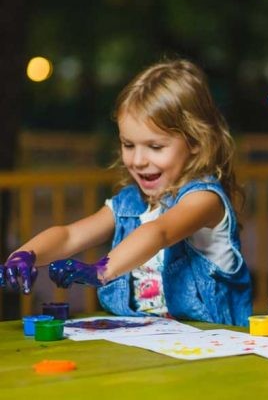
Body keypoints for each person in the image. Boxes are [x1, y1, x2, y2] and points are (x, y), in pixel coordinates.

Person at [0, 60, 252, 326]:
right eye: (128, 144)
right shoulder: (128, 204)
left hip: (215, 349)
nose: (139, 160)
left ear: (196, 142)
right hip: (150, 345)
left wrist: (100, 271)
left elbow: (159, 232)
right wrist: (25, 255)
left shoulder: (204, 200)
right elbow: (69, 235)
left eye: (155, 146)